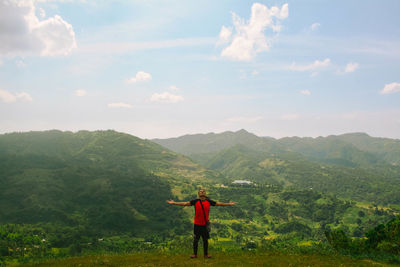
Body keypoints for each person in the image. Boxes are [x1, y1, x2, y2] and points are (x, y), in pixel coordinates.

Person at [166, 189, 236, 259]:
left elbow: (219, 204)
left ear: (205, 194)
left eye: (203, 192)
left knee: (205, 240)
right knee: (196, 239)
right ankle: (195, 254)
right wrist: (174, 203)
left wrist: (229, 204)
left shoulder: (209, 202)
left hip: (204, 224)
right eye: (200, 192)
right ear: (198, 194)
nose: (202, 193)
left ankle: (205, 255)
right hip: (197, 224)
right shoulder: (195, 201)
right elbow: (185, 203)